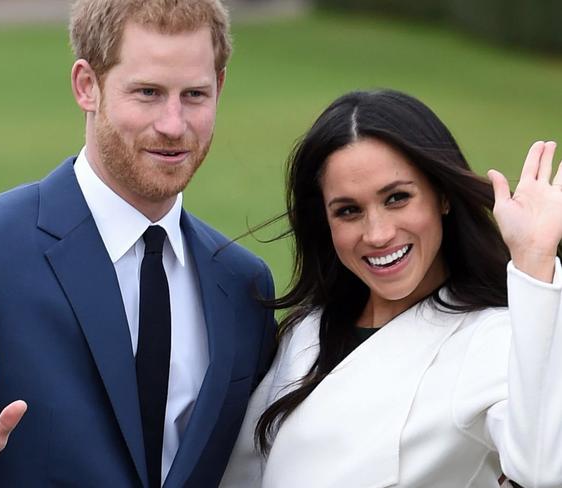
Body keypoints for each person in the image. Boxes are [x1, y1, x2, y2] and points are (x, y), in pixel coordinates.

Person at [0, 1, 276, 487]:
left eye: (194, 94)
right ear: (87, 85)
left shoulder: (243, 283)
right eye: (147, 92)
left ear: (220, 87)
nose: (173, 124)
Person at [220, 89, 562, 487]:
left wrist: (534, 259)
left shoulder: (491, 338)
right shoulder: (307, 333)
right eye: (348, 211)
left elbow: (543, 468)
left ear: (443, 196)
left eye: (397, 198)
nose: (378, 234)